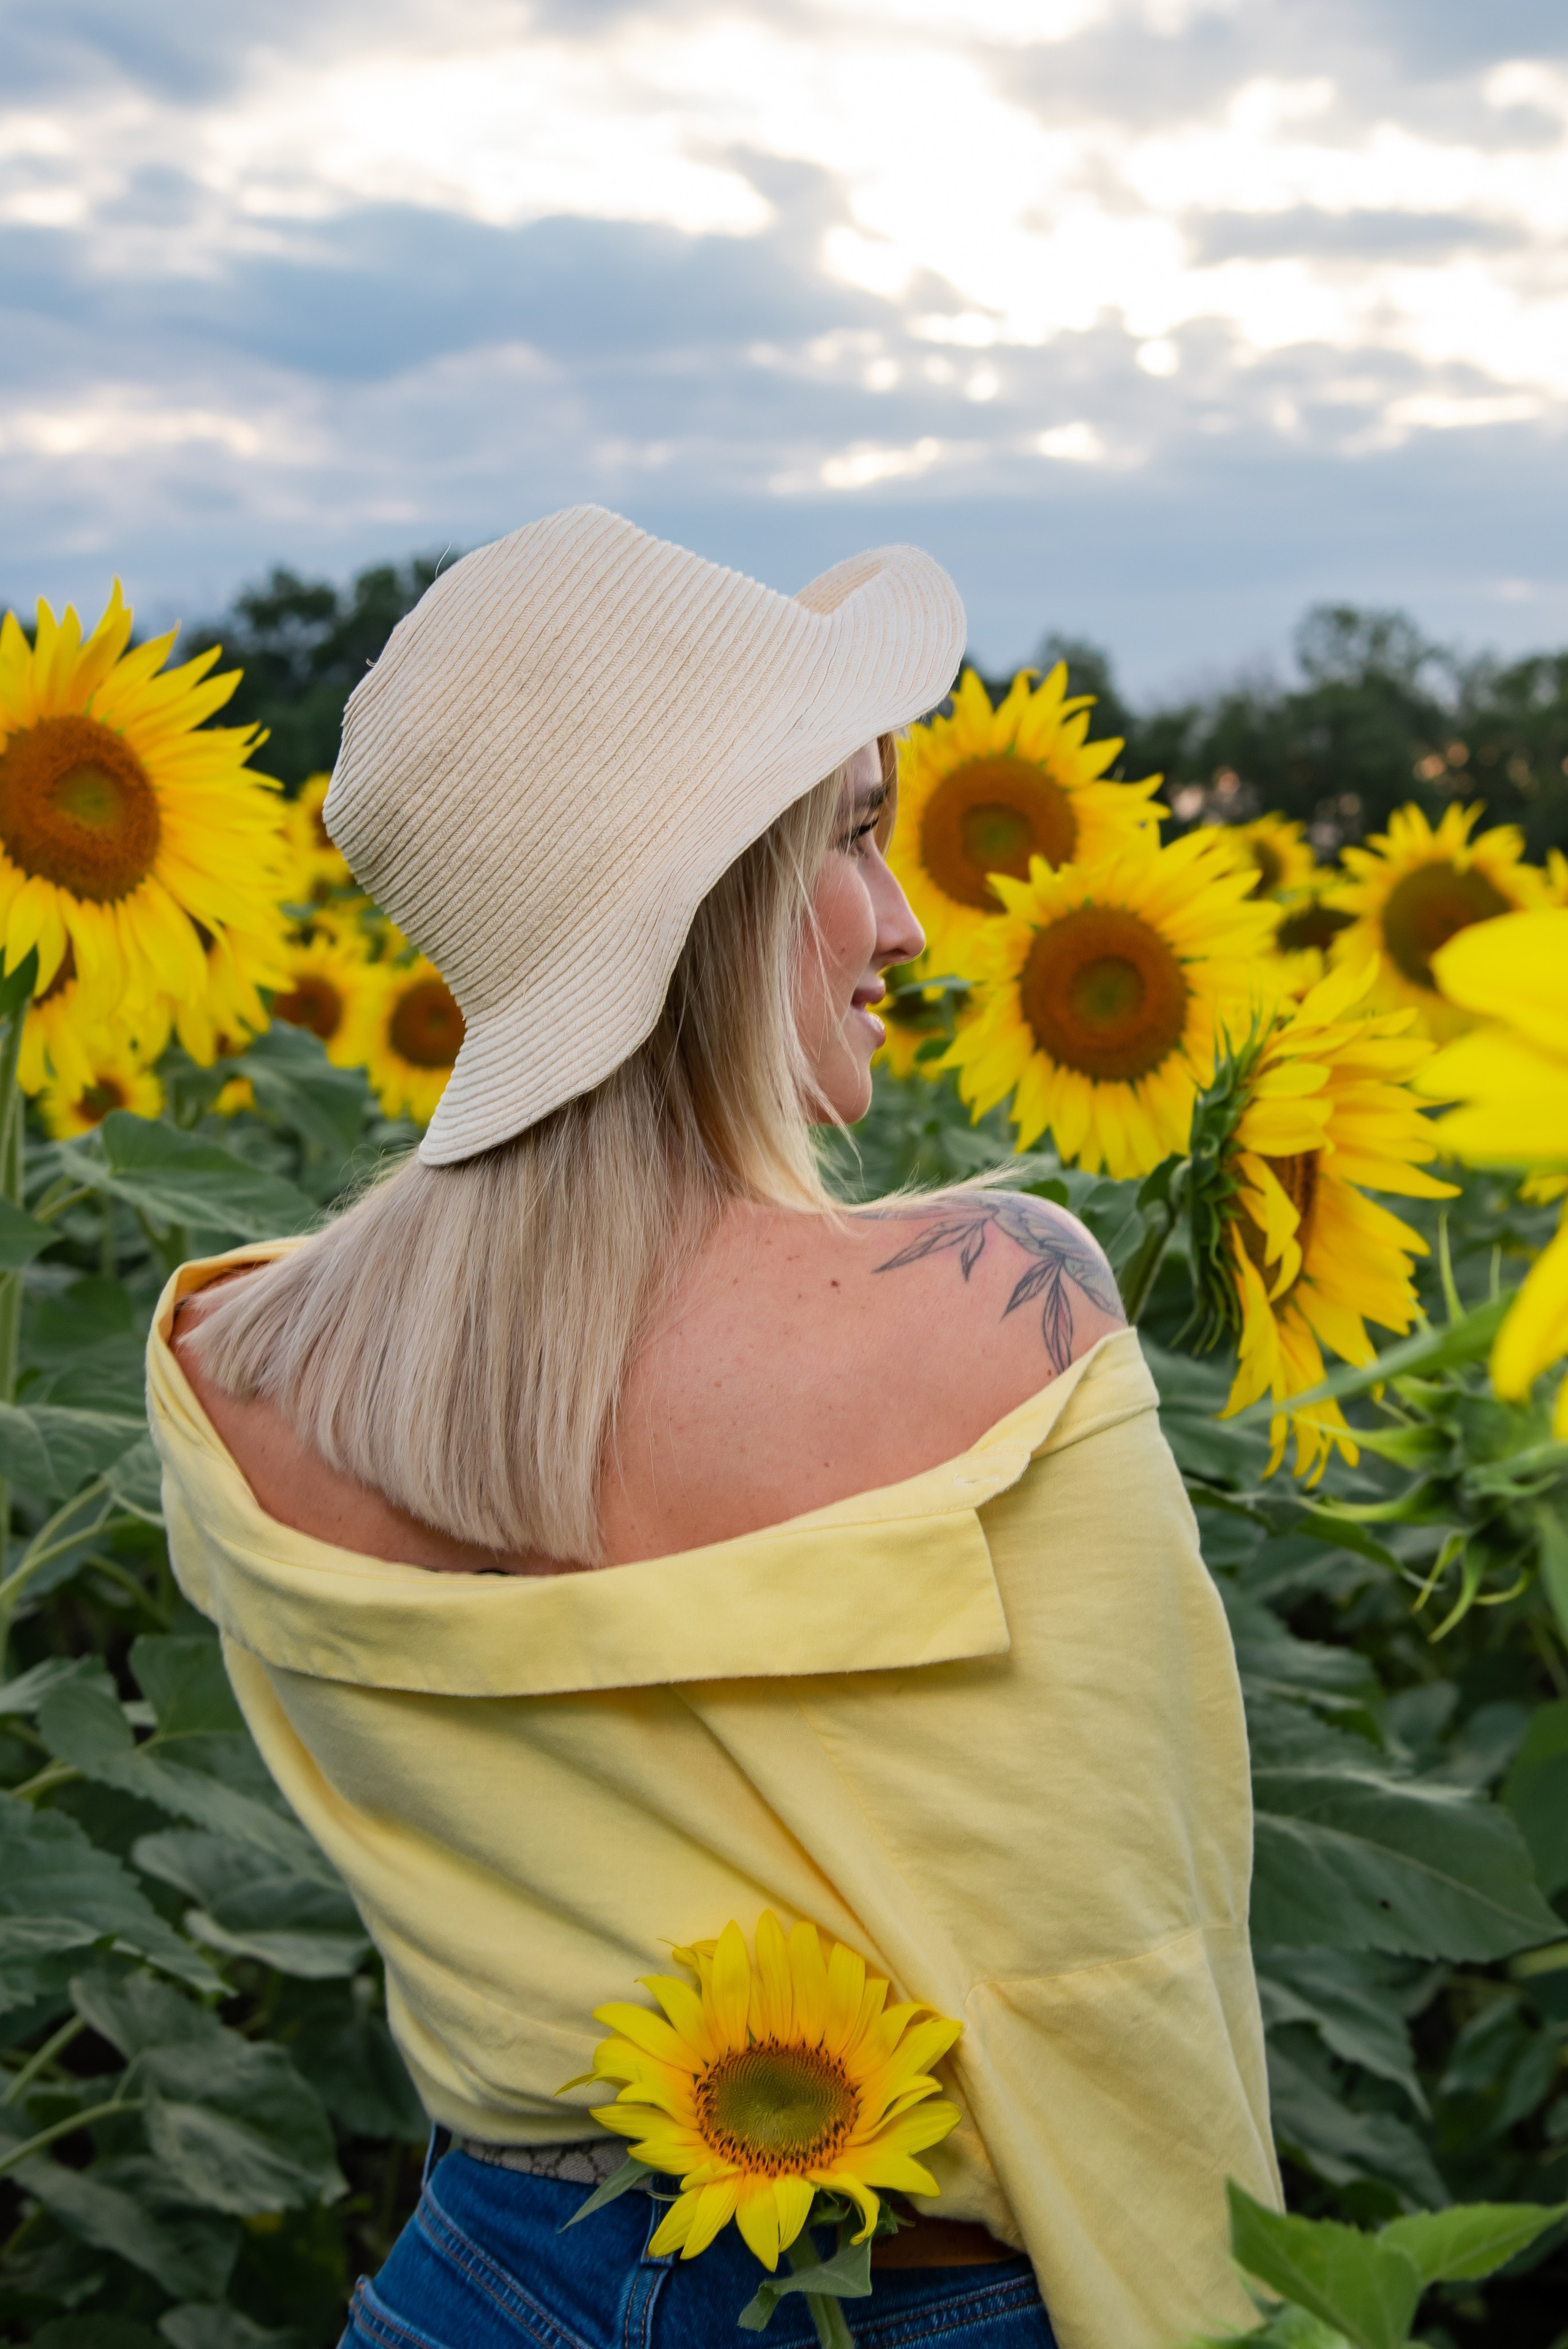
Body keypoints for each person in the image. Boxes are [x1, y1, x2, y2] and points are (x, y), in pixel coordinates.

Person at [150, 507, 1280, 2349]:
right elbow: (1122, 1963)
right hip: (916, 2305)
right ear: (714, 891)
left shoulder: (243, 1373)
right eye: (847, 832)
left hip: (476, 2290)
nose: (905, 919)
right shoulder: (1007, 1307)